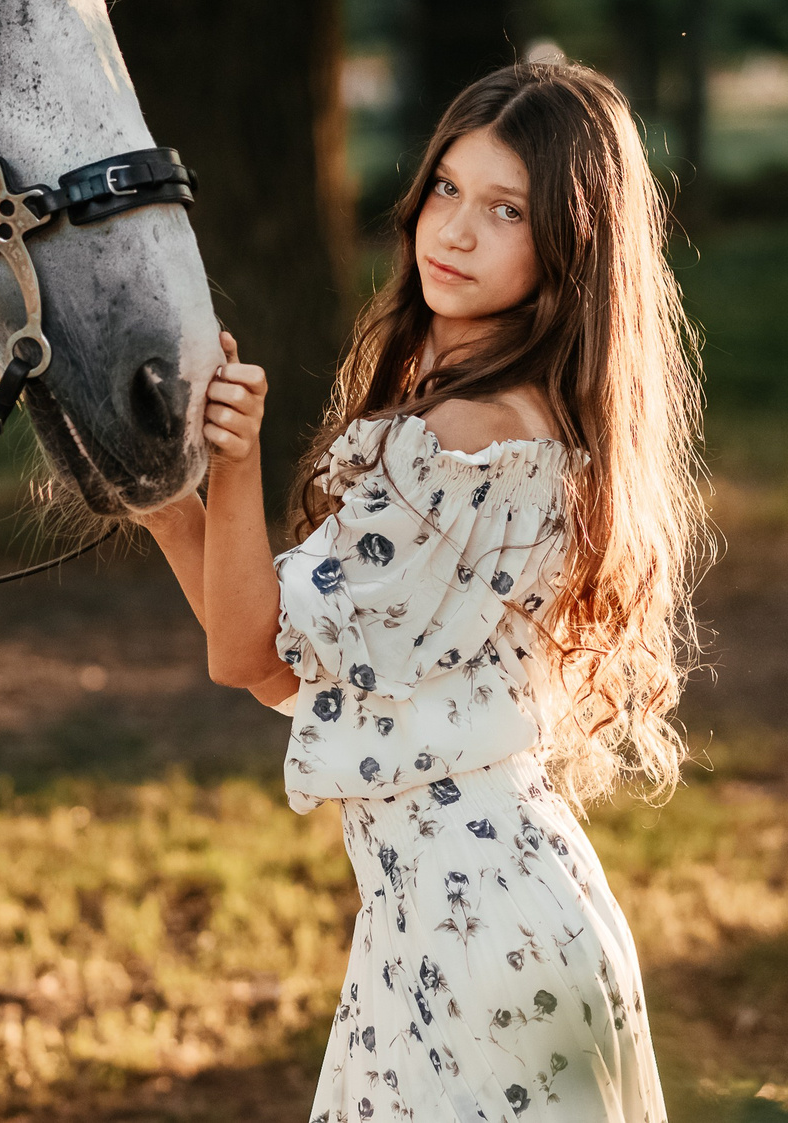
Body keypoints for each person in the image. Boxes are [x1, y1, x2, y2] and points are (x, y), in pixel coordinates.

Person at [135, 61, 711, 1122]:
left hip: (476, 946)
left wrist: (229, 467)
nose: (454, 232)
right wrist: (168, 506)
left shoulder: (466, 449)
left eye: (506, 211)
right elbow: (293, 677)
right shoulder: (498, 419)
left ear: (569, 248)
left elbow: (245, 657)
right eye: (447, 189)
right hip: (453, 925)